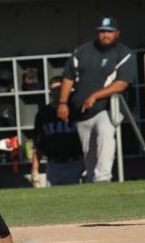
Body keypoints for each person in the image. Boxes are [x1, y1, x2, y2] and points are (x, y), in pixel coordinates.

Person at [57, 16, 137, 183]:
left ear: (117, 33)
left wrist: (95, 95)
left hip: (108, 108)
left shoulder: (124, 53)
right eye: (102, 31)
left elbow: (121, 84)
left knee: (105, 134)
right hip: (82, 112)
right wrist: (63, 103)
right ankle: (92, 181)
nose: (105, 35)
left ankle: (103, 177)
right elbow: (68, 78)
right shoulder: (82, 51)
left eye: (109, 32)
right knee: (89, 151)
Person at [32, 76, 83, 186]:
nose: (57, 92)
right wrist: (35, 170)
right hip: (54, 164)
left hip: (76, 162)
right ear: (50, 92)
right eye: (54, 90)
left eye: (60, 88)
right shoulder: (43, 114)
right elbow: (38, 145)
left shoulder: (75, 109)